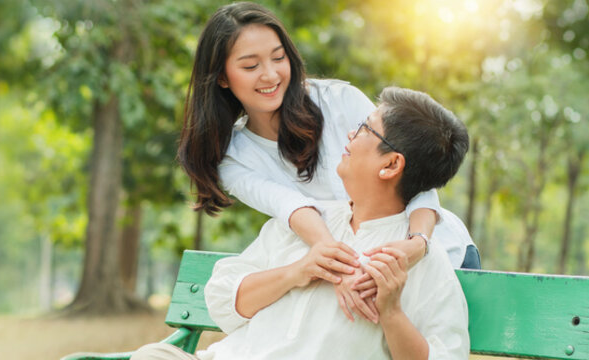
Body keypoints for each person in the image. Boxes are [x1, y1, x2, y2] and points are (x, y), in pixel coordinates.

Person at [176, 1, 478, 321]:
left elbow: (413, 169)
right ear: (222, 77)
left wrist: (419, 243)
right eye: (250, 66)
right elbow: (291, 206)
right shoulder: (233, 157)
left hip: (436, 253)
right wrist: (339, 263)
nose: (270, 74)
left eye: (279, 58)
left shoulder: (337, 100)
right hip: (355, 272)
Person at [136, 87, 471, 359]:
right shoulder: (312, 222)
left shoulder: (424, 265)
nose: (351, 133)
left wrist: (392, 311)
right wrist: (297, 272)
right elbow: (223, 299)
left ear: (391, 165)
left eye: (366, 128)